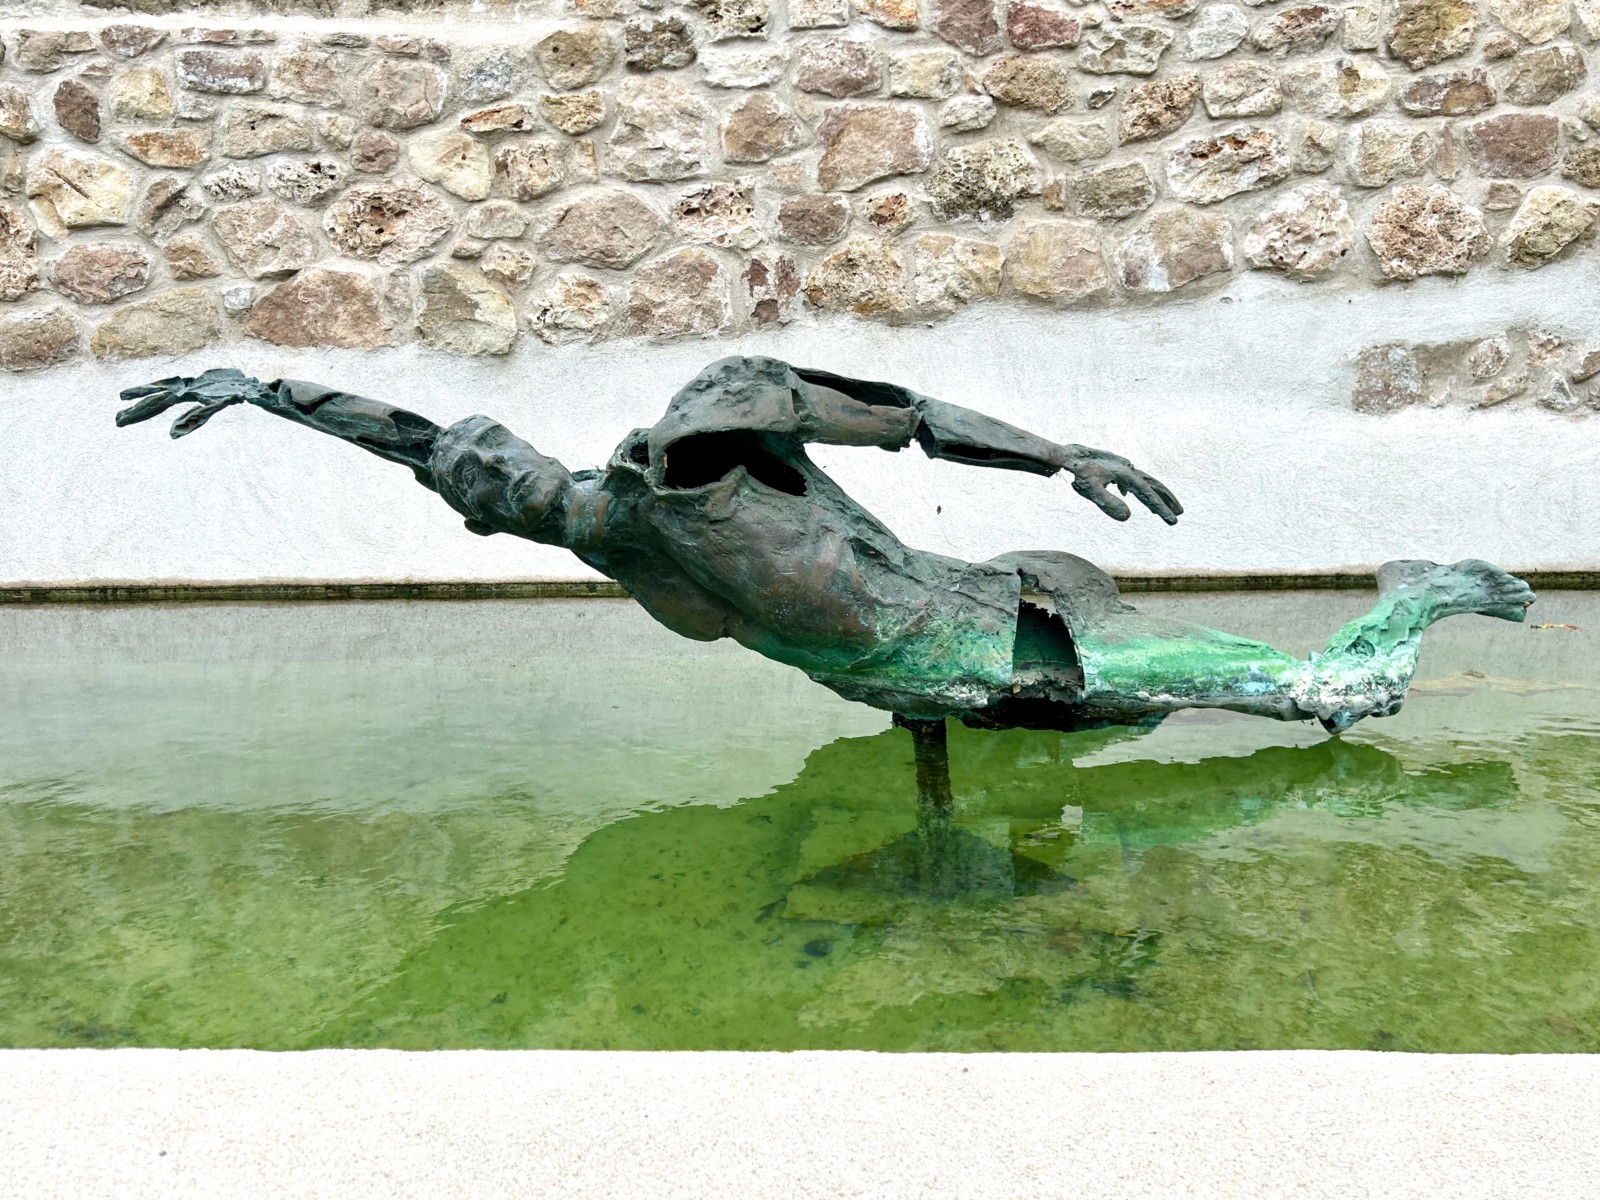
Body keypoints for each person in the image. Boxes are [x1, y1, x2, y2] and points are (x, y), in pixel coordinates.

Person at [117, 356, 1535, 735]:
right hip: (899, 671)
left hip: (992, 629)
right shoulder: (589, 518)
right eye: (477, 485)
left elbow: (901, 419)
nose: (480, 483)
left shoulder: (702, 431)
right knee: (1145, 721)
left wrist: (1060, 452)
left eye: (486, 468)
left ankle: (1412, 603)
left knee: (1312, 694)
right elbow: (412, 434)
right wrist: (273, 393)